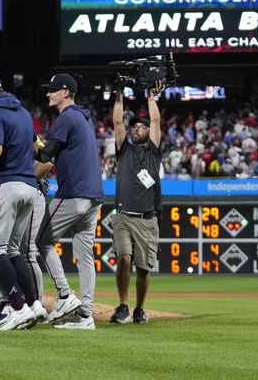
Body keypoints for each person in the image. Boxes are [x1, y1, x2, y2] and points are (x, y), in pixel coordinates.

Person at [0, 72, 47, 331]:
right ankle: (34, 304)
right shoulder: (24, 113)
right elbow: (39, 150)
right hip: (29, 186)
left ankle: (17, 307)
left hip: (5, 184)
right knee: (14, 250)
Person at [35, 74, 104, 330]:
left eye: (52, 90)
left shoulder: (66, 117)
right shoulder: (84, 117)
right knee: (85, 257)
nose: (48, 94)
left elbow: (45, 154)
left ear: (65, 92)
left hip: (74, 193)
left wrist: (25, 143)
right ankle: (86, 315)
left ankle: (64, 295)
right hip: (95, 196)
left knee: (39, 240)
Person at [109, 80, 164, 325]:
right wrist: (119, 94)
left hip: (147, 218)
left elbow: (156, 122)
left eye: (139, 127)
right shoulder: (124, 150)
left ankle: (139, 309)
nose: (135, 130)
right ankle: (122, 305)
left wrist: (150, 98)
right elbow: (117, 122)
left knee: (143, 269)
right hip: (123, 216)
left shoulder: (153, 151)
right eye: (134, 128)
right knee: (123, 258)